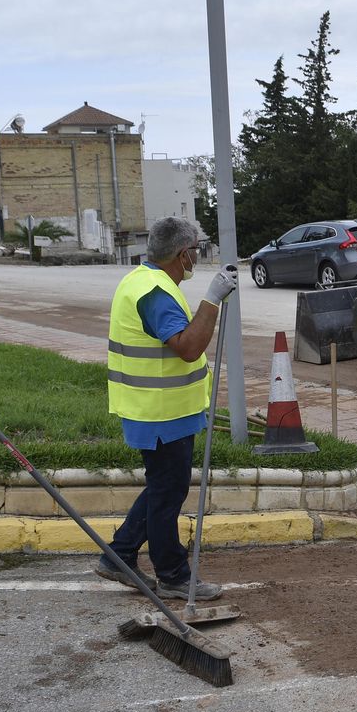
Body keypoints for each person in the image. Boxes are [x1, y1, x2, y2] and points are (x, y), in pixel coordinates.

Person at [99, 217, 236, 601]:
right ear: (183, 254)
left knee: (164, 488)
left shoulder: (145, 281)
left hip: (162, 408)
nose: (198, 255)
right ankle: (173, 575)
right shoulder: (154, 294)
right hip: (159, 412)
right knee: (166, 494)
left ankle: (119, 555)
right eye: (196, 248)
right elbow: (189, 346)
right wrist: (212, 300)